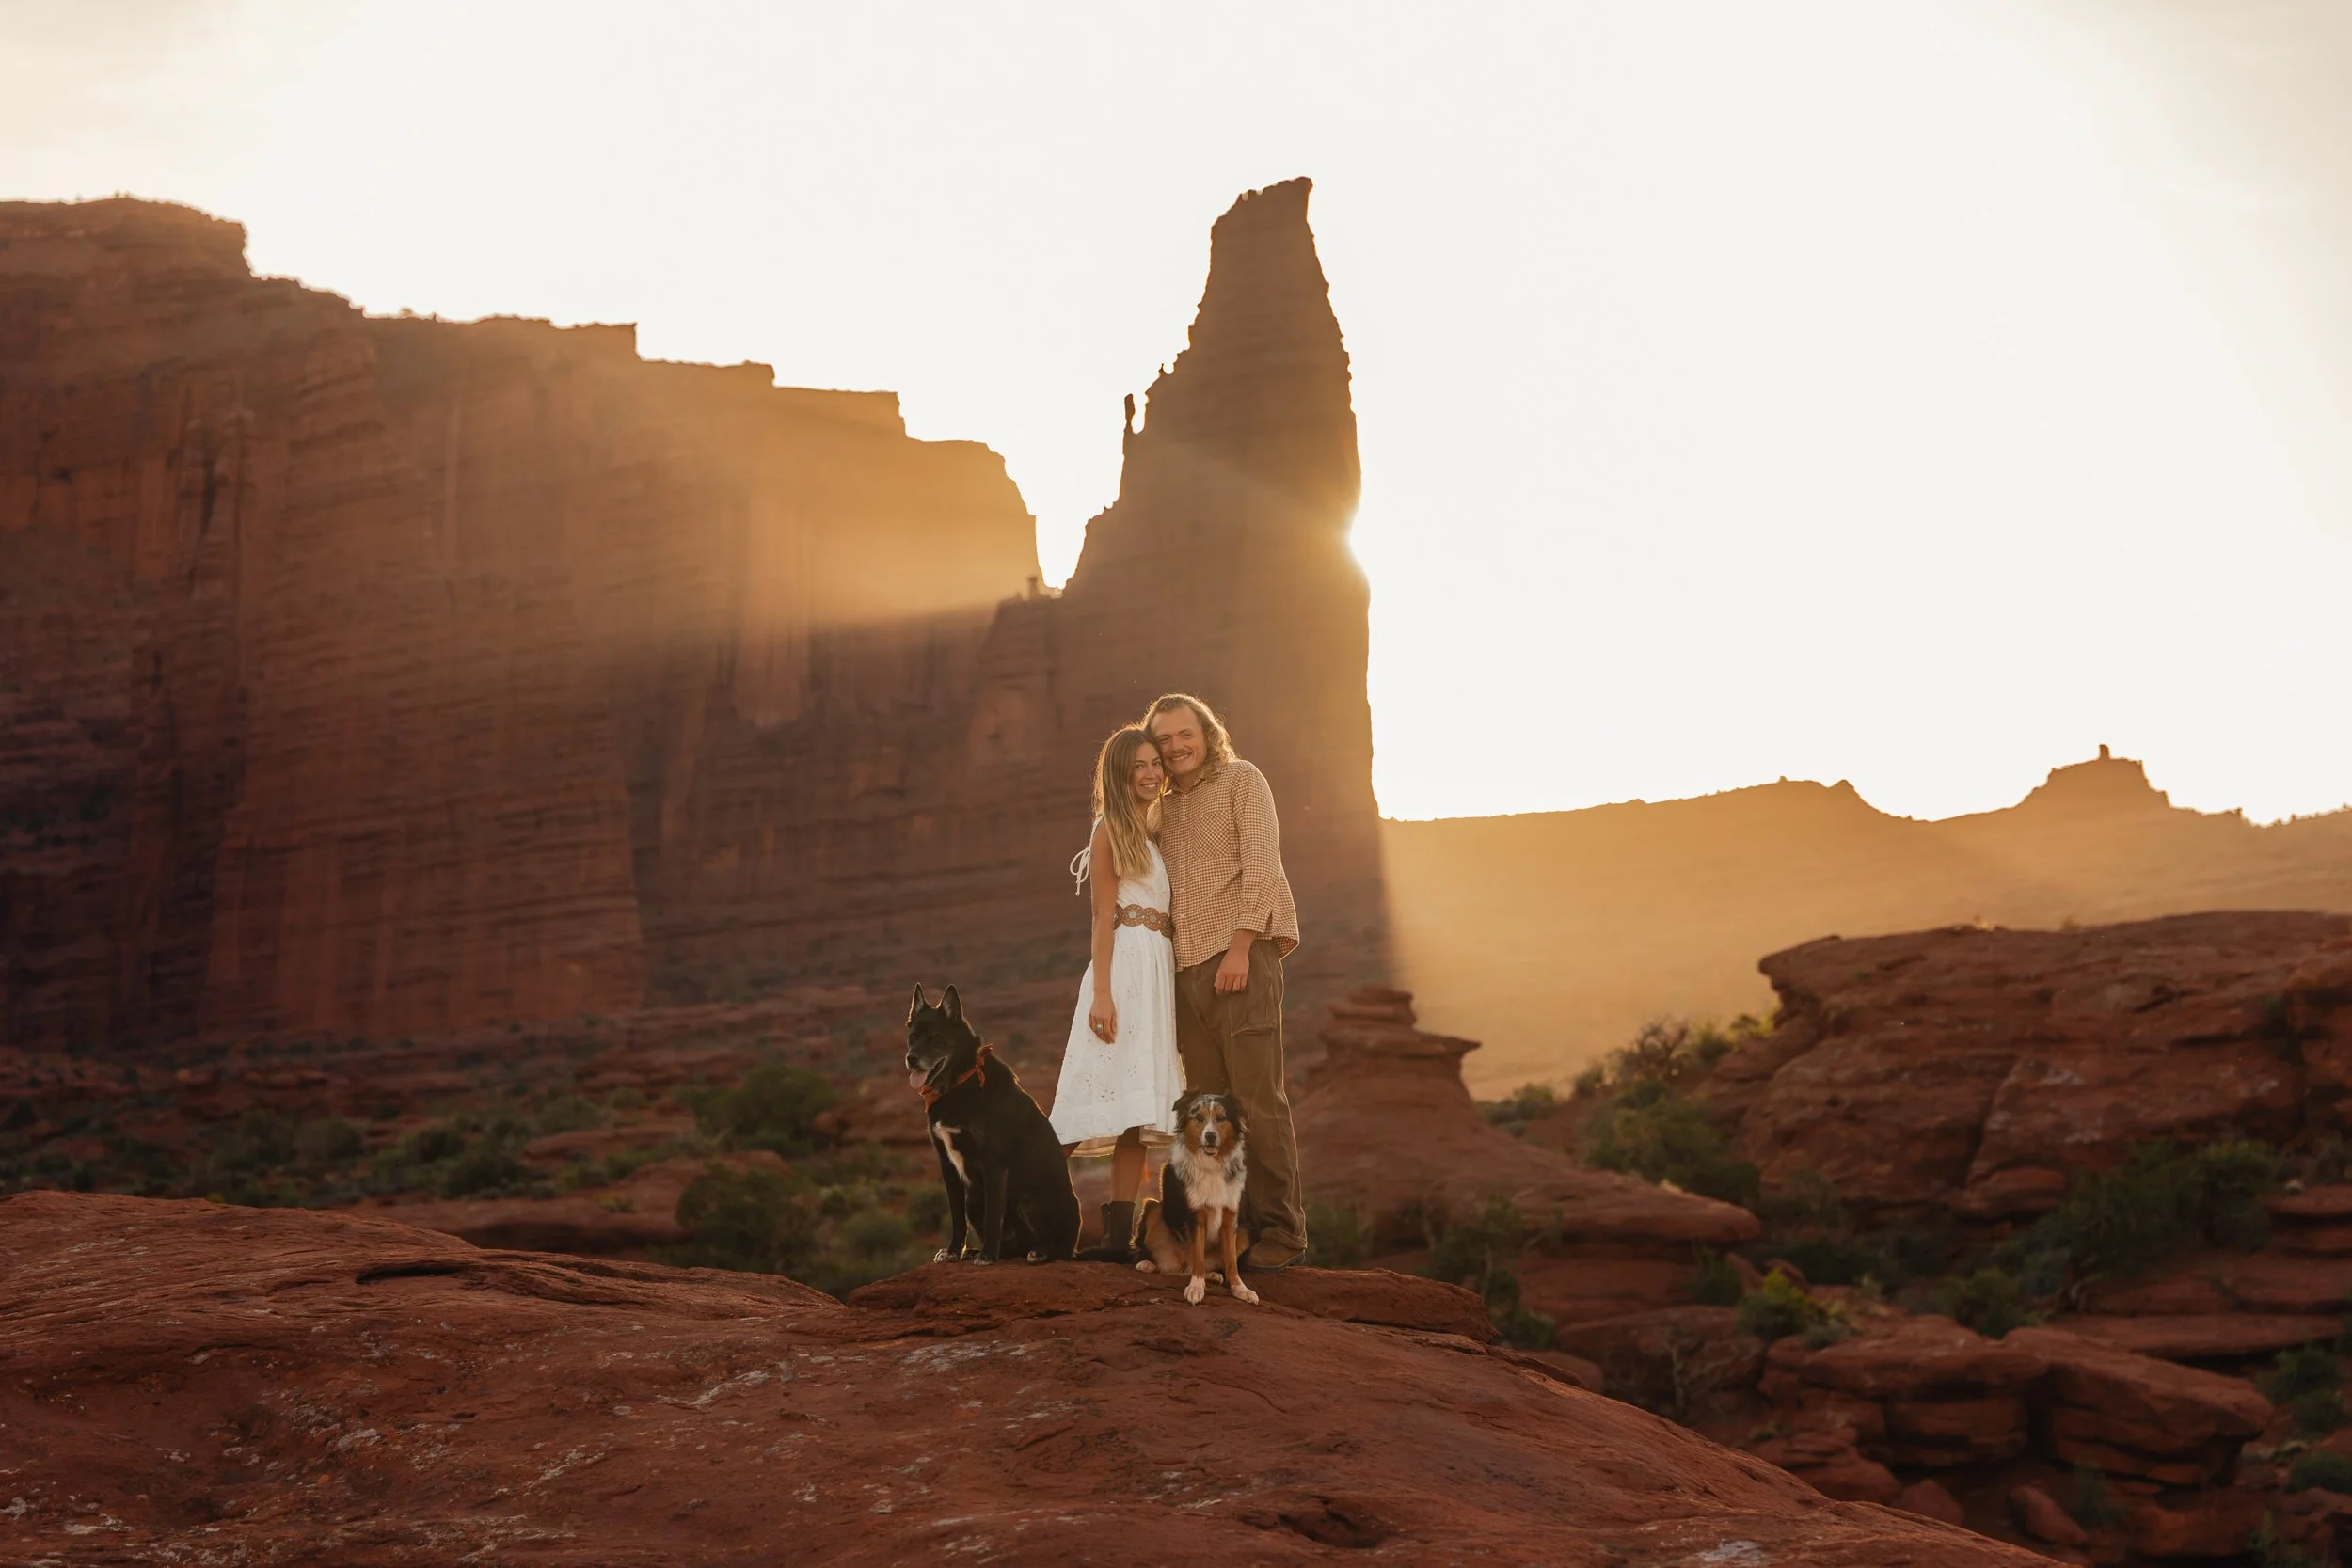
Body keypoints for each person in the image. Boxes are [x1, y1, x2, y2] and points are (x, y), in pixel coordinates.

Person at [1142, 692, 1307, 1270]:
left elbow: (1263, 869)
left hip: (1239, 958)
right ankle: (1229, 1237)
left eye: (1185, 734)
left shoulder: (1242, 779)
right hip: (1186, 973)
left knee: (1259, 1102)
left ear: (1207, 734)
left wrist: (1240, 948)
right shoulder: (1163, 808)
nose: (1176, 747)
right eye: (1163, 740)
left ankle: (1281, 1231)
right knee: (1213, 1115)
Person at [1048, 724, 1184, 1253]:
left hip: (1157, 971)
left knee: (1135, 1112)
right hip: (1123, 966)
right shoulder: (1109, 828)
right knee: (1087, 1095)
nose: (1152, 774)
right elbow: (1103, 915)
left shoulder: (1155, 831)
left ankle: (1117, 1239)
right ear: (1120, 775)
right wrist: (1102, 993)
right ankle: (1019, 1213)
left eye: (1157, 764)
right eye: (1140, 767)